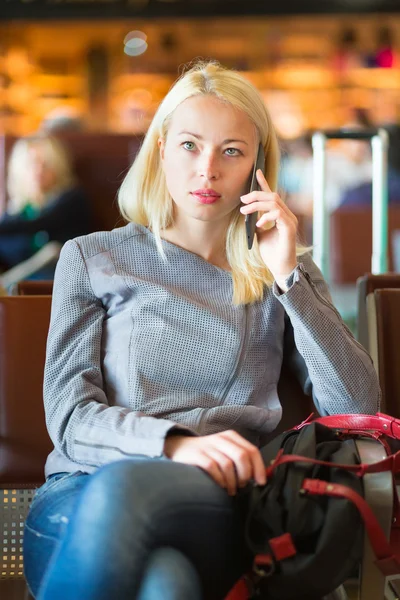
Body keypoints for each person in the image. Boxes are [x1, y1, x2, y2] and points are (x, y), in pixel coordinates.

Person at [23, 61, 380, 600]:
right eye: (190, 145)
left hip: (216, 501)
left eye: (231, 151)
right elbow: (70, 418)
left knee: (138, 519)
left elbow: (356, 407)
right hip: (81, 497)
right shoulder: (92, 256)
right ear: (162, 148)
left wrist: (288, 277)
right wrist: (174, 445)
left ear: (257, 167)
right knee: (166, 585)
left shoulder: (281, 272)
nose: (207, 170)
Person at [0, 134, 92, 277]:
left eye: (46, 164)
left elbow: (40, 223)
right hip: (19, 291)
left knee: (53, 252)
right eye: (32, 164)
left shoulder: (71, 199)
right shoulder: (17, 210)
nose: (38, 170)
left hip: (60, 281)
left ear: (58, 167)